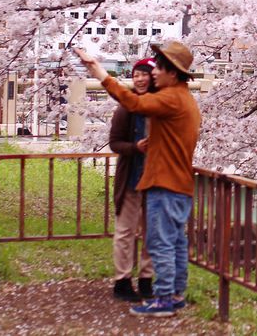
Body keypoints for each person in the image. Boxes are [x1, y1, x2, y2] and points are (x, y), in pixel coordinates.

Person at [74, 41, 201, 318]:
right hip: (180, 184)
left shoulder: (170, 98)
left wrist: (99, 72)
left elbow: (132, 102)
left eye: (160, 68)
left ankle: (165, 298)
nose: (154, 72)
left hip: (164, 184)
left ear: (174, 73)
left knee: (160, 243)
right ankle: (176, 294)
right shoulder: (184, 99)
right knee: (175, 242)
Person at [108, 57, 156, 302]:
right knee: (125, 231)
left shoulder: (161, 105)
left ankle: (147, 279)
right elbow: (115, 142)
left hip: (156, 179)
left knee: (152, 232)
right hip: (131, 177)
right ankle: (122, 280)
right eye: (136, 74)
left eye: (144, 74)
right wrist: (135, 147)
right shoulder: (125, 108)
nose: (139, 79)